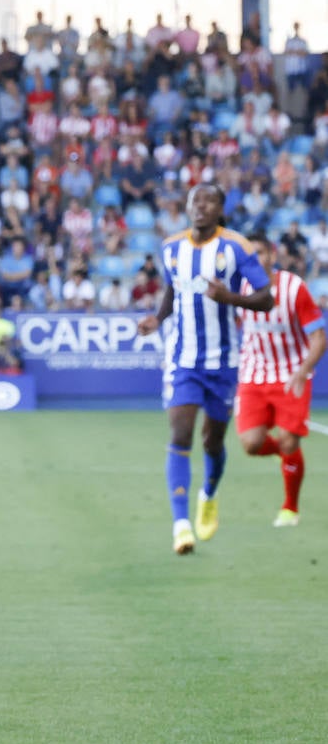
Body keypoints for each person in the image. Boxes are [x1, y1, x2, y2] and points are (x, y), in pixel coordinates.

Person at [137, 184, 273, 554]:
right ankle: (181, 526)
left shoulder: (237, 248)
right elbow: (172, 290)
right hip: (183, 359)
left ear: (220, 208)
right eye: (195, 199)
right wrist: (158, 319)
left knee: (213, 440)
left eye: (209, 200)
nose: (200, 206)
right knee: (180, 434)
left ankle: (208, 494)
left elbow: (266, 297)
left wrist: (231, 298)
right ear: (187, 205)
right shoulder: (171, 247)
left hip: (224, 362)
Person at [235, 236, 325, 527]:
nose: (254, 260)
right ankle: (283, 454)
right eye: (249, 255)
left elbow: (318, 338)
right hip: (253, 375)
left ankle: (290, 508)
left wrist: (303, 370)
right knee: (250, 444)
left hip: (291, 375)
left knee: (288, 440)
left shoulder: (294, 289)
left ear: (272, 256)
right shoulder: (239, 288)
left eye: (259, 253)